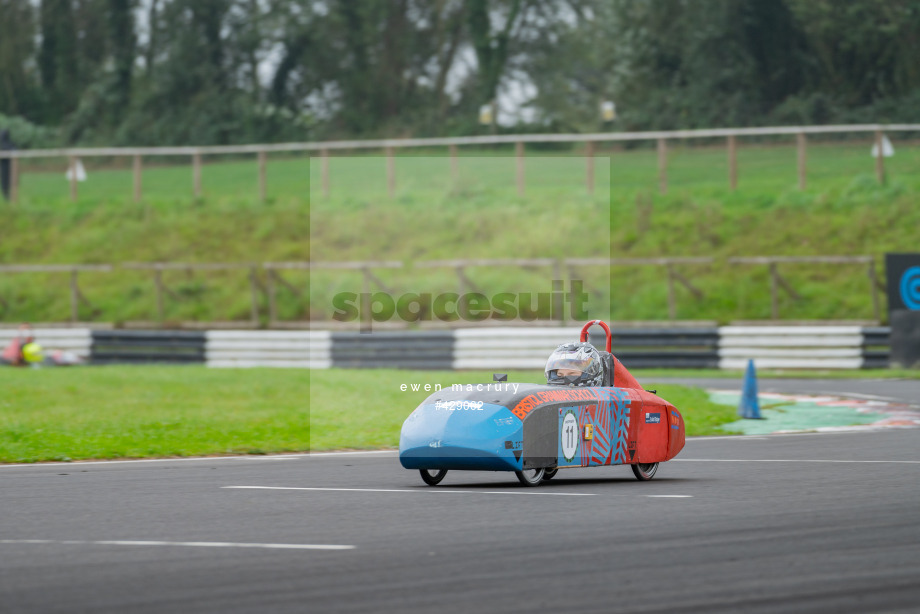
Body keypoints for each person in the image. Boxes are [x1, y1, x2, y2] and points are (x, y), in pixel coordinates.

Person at [0, 129, 14, 201]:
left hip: (6, 169)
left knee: (5, 185)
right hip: (11, 169)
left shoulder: (3, 146)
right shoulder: (11, 144)